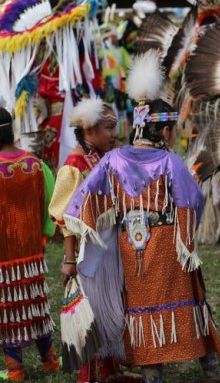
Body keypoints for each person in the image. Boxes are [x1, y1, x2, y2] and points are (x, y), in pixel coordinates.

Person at [64, 54, 220, 383]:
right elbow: (192, 200)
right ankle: (208, 367)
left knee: (141, 304)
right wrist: (187, 242)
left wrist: (98, 231)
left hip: (129, 242)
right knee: (188, 297)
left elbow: (82, 200)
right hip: (166, 242)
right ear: (164, 129)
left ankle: (153, 374)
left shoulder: (112, 160)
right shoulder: (170, 161)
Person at [48, 97, 134, 382]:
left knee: (111, 303)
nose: (113, 134)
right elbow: (66, 218)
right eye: (108, 128)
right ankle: (90, 373)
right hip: (88, 251)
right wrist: (69, 259)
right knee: (92, 308)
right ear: (89, 130)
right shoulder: (74, 164)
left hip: (109, 244)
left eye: (114, 127)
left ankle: (110, 368)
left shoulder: (102, 157)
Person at [0, 108, 60, 382]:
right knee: (35, 303)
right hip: (33, 251)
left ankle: (15, 369)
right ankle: (50, 360)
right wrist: (43, 235)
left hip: (4, 256)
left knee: (9, 307)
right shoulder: (35, 164)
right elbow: (52, 203)